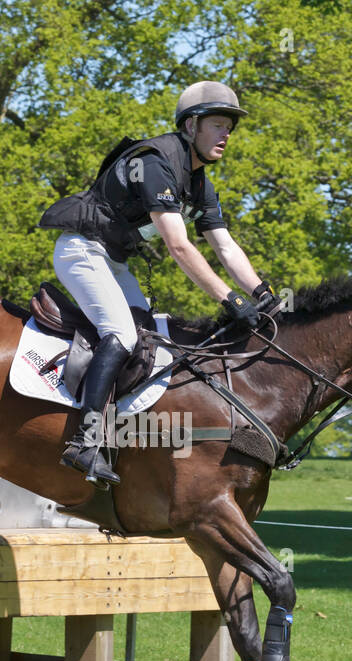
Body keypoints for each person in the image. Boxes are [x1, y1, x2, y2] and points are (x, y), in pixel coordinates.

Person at [38, 80, 281, 487]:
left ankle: (121, 436)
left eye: (229, 128)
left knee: (148, 341)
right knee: (121, 334)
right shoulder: (155, 162)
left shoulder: (200, 182)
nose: (226, 134)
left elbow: (224, 245)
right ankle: (84, 441)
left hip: (112, 260)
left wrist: (262, 293)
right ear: (190, 127)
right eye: (217, 125)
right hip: (81, 251)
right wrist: (229, 299)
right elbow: (179, 247)